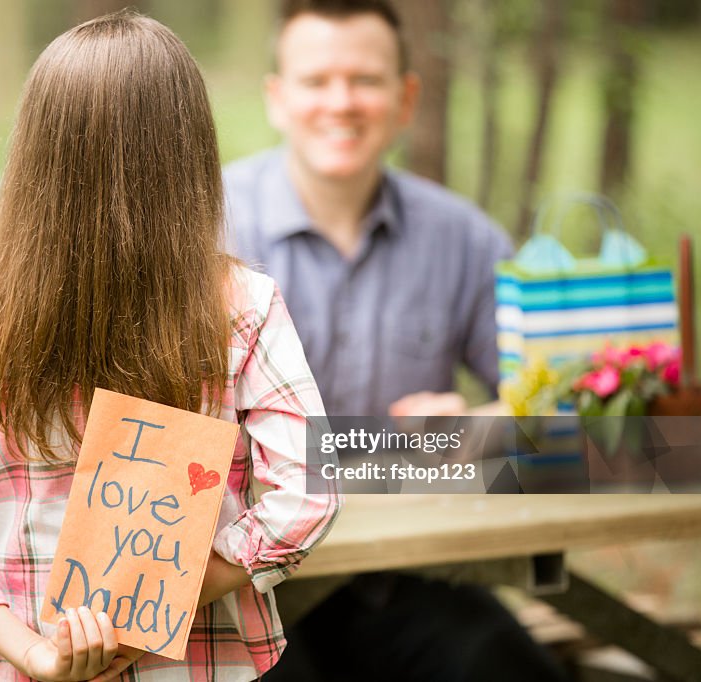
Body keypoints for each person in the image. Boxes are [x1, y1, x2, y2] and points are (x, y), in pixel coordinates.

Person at [0, 12, 341, 682]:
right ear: (188, 155)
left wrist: (35, 652)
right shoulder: (242, 306)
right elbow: (311, 490)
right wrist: (164, 601)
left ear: (35, 158)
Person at [224, 1, 568, 680]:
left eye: (366, 80)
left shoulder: (463, 239)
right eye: (317, 81)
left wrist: (471, 429)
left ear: (407, 98)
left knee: (509, 668)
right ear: (276, 97)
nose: (341, 103)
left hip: (409, 578)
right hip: (245, 590)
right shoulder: (206, 231)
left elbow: (559, 406)